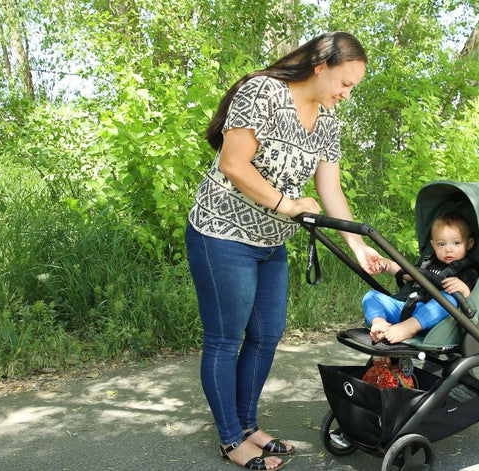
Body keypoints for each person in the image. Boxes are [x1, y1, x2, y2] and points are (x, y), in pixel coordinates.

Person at [185, 32, 382, 471]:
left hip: (271, 240)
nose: (346, 94)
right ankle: (231, 438)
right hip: (221, 232)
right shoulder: (263, 93)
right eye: (345, 83)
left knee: (267, 334)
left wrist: (357, 245)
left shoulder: (327, 120)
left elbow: (329, 187)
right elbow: (233, 164)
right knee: (225, 338)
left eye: (353, 87)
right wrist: (288, 204)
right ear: (321, 67)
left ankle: (249, 424)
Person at [364, 212, 479, 345]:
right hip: (407, 310)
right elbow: (408, 274)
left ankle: (408, 328)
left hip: (435, 321)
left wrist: (463, 289)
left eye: (456, 243)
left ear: (469, 243)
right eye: (441, 244)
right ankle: (380, 324)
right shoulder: (428, 262)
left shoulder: (468, 270)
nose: (448, 249)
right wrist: (388, 265)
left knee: (449, 298)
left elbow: (471, 302)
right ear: (433, 244)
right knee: (371, 296)